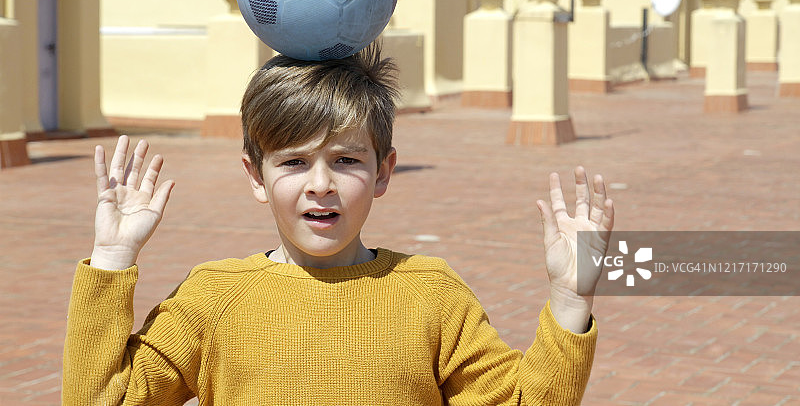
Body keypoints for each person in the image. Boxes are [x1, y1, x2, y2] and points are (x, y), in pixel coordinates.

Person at [62, 43, 614, 405]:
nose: (320, 184)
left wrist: (570, 299)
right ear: (256, 177)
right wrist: (112, 259)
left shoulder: (432, 294)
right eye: (294, 162)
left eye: (346, 160)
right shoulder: (213, 298)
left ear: (383, 172)